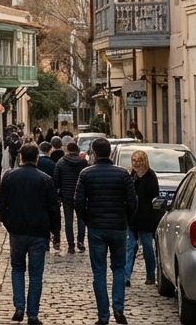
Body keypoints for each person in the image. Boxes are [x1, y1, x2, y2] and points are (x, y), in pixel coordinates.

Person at [75, 138, 138, 325]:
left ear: (94, 153)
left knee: (99, 272)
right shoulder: (122, 174)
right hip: (118, 226)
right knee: (119, 268)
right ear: (110, 153)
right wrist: (126, 219)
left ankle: (103, 315)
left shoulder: (86, 174)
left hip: (97, 228)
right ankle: (118, 308)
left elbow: (79, 202)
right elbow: (133, 201)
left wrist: (88, 219)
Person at [0, 144, 60, 325]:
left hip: (17, 231)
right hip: (39, 232)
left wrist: (7, 222)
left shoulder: (9, 177)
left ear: (20, 157)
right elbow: (53, 209)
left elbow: (1, 204)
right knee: (35, 274)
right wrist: (56, 232)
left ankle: (19, 306)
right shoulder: (45, 179)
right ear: (37, 159)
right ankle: (32, 314)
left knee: (17, 269)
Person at [125, 150, 160, 286]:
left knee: (147, 248)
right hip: (132, 217)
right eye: (134, 160)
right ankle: (126, 276)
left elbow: (154, 197)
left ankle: (150, 275)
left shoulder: (150, 176)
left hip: (146, 217)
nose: (136, 163)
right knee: (129, 247)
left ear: (144, 161)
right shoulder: (130, 175)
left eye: (139, 160)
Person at [53, 141, 88, 254]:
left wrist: (58, 193)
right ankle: (80, 241)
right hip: (80, 194)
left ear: (67, 150)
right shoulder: (83, 162)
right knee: (81, 219)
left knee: (68, 220)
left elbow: (56, 179)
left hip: (66, 195)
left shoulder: (61, 162)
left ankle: (71, 245)